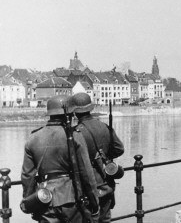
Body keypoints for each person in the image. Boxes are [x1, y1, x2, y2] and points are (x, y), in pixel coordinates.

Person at [21, 95, 99, 223]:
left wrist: (30, 201)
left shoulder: (33, 139)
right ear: (69, 114)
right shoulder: (75, 136)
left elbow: (27, 176)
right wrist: (94, 203)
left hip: (44, 199)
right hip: (71, 199)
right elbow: (87, 175)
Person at [72, 93, 125, 223]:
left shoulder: (76, 132)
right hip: (107, 183)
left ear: (75, 113)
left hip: (87, 188)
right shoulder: (104, 126)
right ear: (91, 109)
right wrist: (105, 157)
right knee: (105, 219)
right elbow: (119, 149)